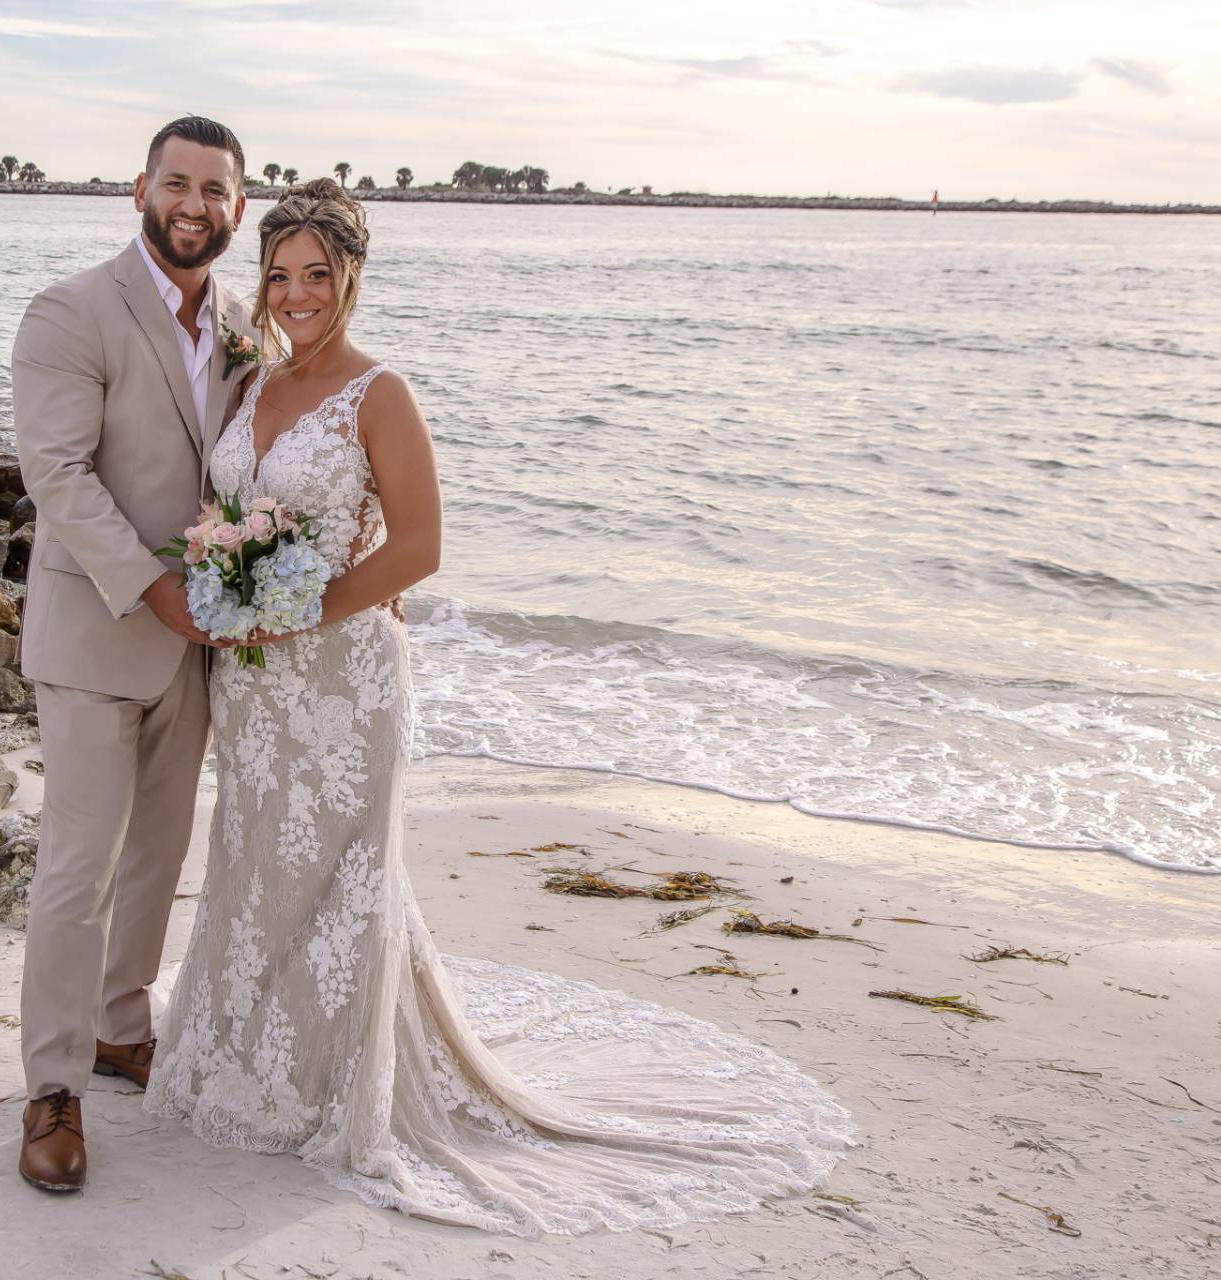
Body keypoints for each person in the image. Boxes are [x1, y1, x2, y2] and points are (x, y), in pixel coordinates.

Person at [142, 178, 855, 1235]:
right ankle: (248, 1064)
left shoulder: (381, 393)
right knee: (256, 864)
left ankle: (336, 1090)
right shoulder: (251, 385)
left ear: (350, 280)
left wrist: (294, 612)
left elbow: (420, 547)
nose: (294, 296)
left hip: (344, 678)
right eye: (280, 275)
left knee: (342, 880)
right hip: (253, 684)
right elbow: (228, 513)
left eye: (316, 277)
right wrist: (231, 591)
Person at [7, 114, 256, 1193]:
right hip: (97, 628)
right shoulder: (72, 310)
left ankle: (119, 1024)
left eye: (215, 189)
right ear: (140, 190)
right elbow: (57, 474)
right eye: (177, 183)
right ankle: (51, 1084)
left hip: (193, 647)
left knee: (158, 856)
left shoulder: (249, 327)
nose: (193, 203)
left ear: (239, 208)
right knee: (78, 866)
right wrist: (160, 589)